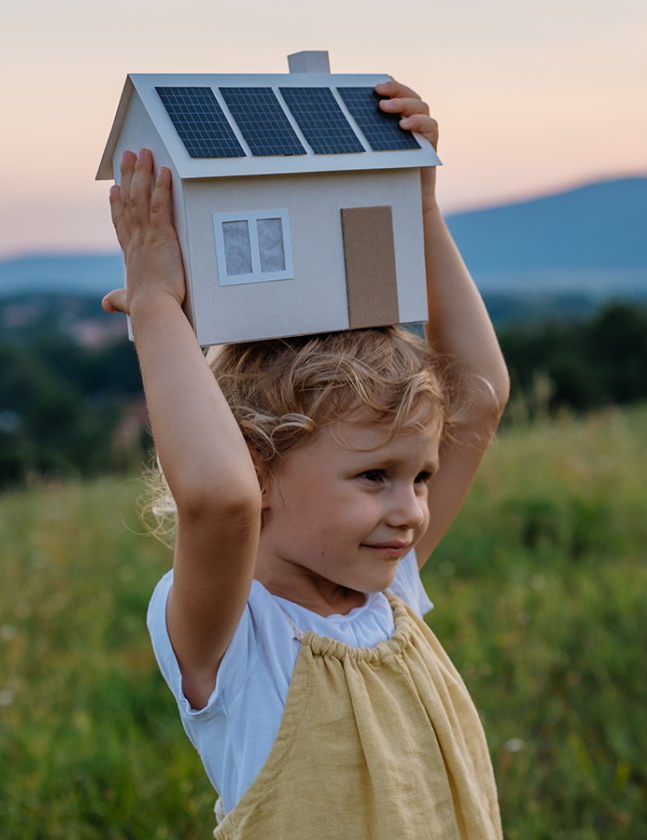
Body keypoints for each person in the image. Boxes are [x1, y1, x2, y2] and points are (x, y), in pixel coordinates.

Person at [103, 80, 509, 838]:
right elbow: (219, 499)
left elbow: (479, 397)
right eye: (374, 477)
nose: (413, 510)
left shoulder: (385, 591)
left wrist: (416, 208)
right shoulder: (238, 636)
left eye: (419, 476)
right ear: (259, 469)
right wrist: (157, 305)